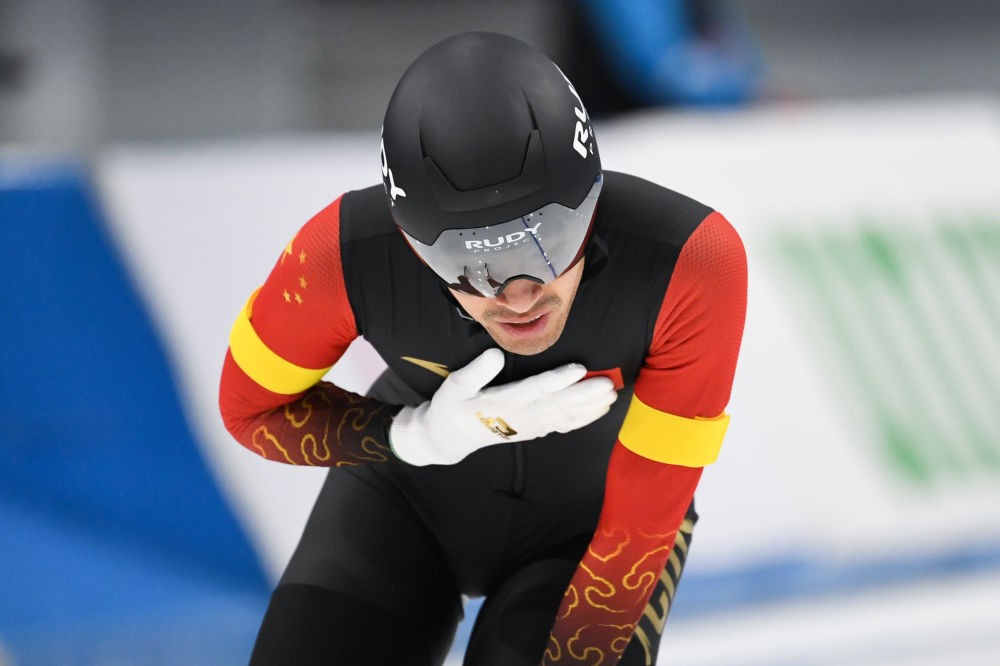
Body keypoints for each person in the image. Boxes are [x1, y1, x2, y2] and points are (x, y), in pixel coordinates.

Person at [219, 31, 746, 666]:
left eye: (548, 240)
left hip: (597, 527)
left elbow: (642, 523)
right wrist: (413, 437)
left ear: (594, 200)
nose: (518, 295)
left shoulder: (693, 261)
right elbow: (249, 410)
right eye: (466, 260)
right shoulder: (337, 258)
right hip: (402, 505)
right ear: (410, 244)